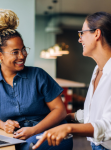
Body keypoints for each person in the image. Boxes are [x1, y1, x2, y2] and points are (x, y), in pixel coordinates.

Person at [0, 9, 73, 150]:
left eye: (23, 49)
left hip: (53, 133)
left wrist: (34, 130)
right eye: (15, 52)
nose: (22, 56)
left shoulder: (38, 75)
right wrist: (3, 124)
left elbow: (60, 110)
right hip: (19, 137)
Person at [33, 11, 111, 150]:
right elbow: (95, 112)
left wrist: (68, 128)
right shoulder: (97, 69)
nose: (79, 39)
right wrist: (69, 116)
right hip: (97, 144)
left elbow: (109, 125)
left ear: (97, 34)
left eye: (82, 33)